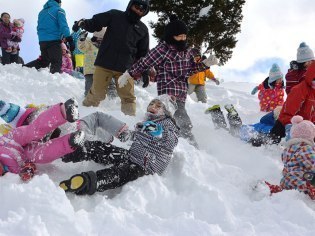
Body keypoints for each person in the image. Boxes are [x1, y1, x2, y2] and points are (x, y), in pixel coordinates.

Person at [118, 15, 218, 147]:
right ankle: (191, 149)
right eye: (179, 36)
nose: (182, 39)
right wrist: (129, 74)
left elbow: (189, 70)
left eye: (184, 36)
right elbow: (145, 62)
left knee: (168, 119)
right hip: (168, 92)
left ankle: (162, 143)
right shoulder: (162, 50)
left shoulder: (186, 51)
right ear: (171, 36)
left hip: (181, 93)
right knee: (181, 121)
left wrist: (205, 64)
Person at [59, 95, 179, 195]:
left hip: (145, 168)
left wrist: (158, 130)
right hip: (131, 157)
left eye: (158, 106)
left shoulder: (168, 125)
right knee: (104, 149)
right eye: (152, 103)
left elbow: (171, 140)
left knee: (118, 174)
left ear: (166, 112)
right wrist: (131, 135)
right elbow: (140, 138)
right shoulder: (148, 122)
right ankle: (73, 151)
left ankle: (88, 182)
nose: (153, 106)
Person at [72, 0, 150, 116]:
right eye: (137, 6)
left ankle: (129, 122)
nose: (138, 10)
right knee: (97, 94)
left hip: (125, 69)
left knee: (128, 97)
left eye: (142, 9)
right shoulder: (115, 15)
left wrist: (145, 71)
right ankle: (83, 116)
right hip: (105, 63)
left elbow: (143, 53)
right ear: (130, 5)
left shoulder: (143, 29)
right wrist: (83, 23)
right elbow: (96, 22)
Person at [0, 98, 85, 181]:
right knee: (42, 155)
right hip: (25, 155)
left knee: (33, 131)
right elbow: (29, 165)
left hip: (12, 140)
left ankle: (63, 111)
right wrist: (28, 170)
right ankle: (71, 142)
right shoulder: (11, 172)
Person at [262, 116, 315, 200]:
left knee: (285, 192)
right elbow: (313, 163)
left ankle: (269, 188)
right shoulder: (306, 149)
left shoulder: (288, 149)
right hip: (301, 182)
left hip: (287, 181)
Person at [269, 61, 315, 144]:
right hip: (287, 124)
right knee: (268, 143)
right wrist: (289, 127)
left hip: (306, 128)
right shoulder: (300, 89)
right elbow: (287, 112)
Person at [37, 0, 74, 74]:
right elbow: (63, 25)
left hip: (42, 40)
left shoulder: (41, 12)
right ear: (59, 2)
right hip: (53, 40)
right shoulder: (59, 10)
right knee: (56, 62)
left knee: (44, 62)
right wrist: (69, 38)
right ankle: (53, 81)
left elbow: (39, 27)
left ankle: (25, 68)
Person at [77, 28, 106, 96]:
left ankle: (110, 98)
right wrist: (82, 39)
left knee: (105, 85)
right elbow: (81, 47)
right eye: (98, 38)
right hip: (90, 70)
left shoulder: (105, 45)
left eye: (102, 38)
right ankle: (87, 97)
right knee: (89, 86)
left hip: (102, 70)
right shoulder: (89, 43)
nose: (100, 40)